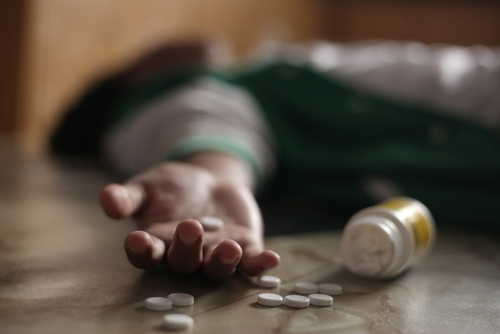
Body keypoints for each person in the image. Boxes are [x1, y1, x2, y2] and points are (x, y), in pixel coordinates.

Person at [51, 38, 500, 280]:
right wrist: (210, 172)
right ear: (138, 76)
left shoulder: (271, 80)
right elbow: (201, 113)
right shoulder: (155, 100)